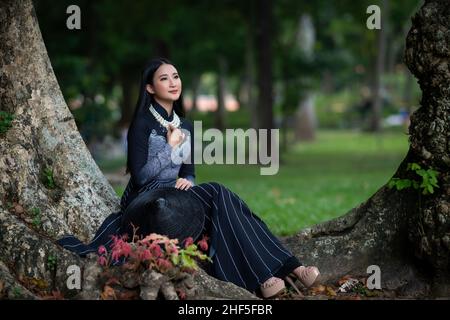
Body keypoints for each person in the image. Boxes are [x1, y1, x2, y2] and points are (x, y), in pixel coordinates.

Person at [58, 57, 320, 298]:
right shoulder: (142, 124)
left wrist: (189, 181)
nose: (173, 83)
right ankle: (265, 277)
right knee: (217, 193)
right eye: (164, 78)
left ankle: (292, 268)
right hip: (146, 205)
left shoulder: (185, 125)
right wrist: (170, 148)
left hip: (177, 197)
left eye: (176, 76)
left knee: (228, 205)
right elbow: (139, 177)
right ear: (149, 88)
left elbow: (188, 169)